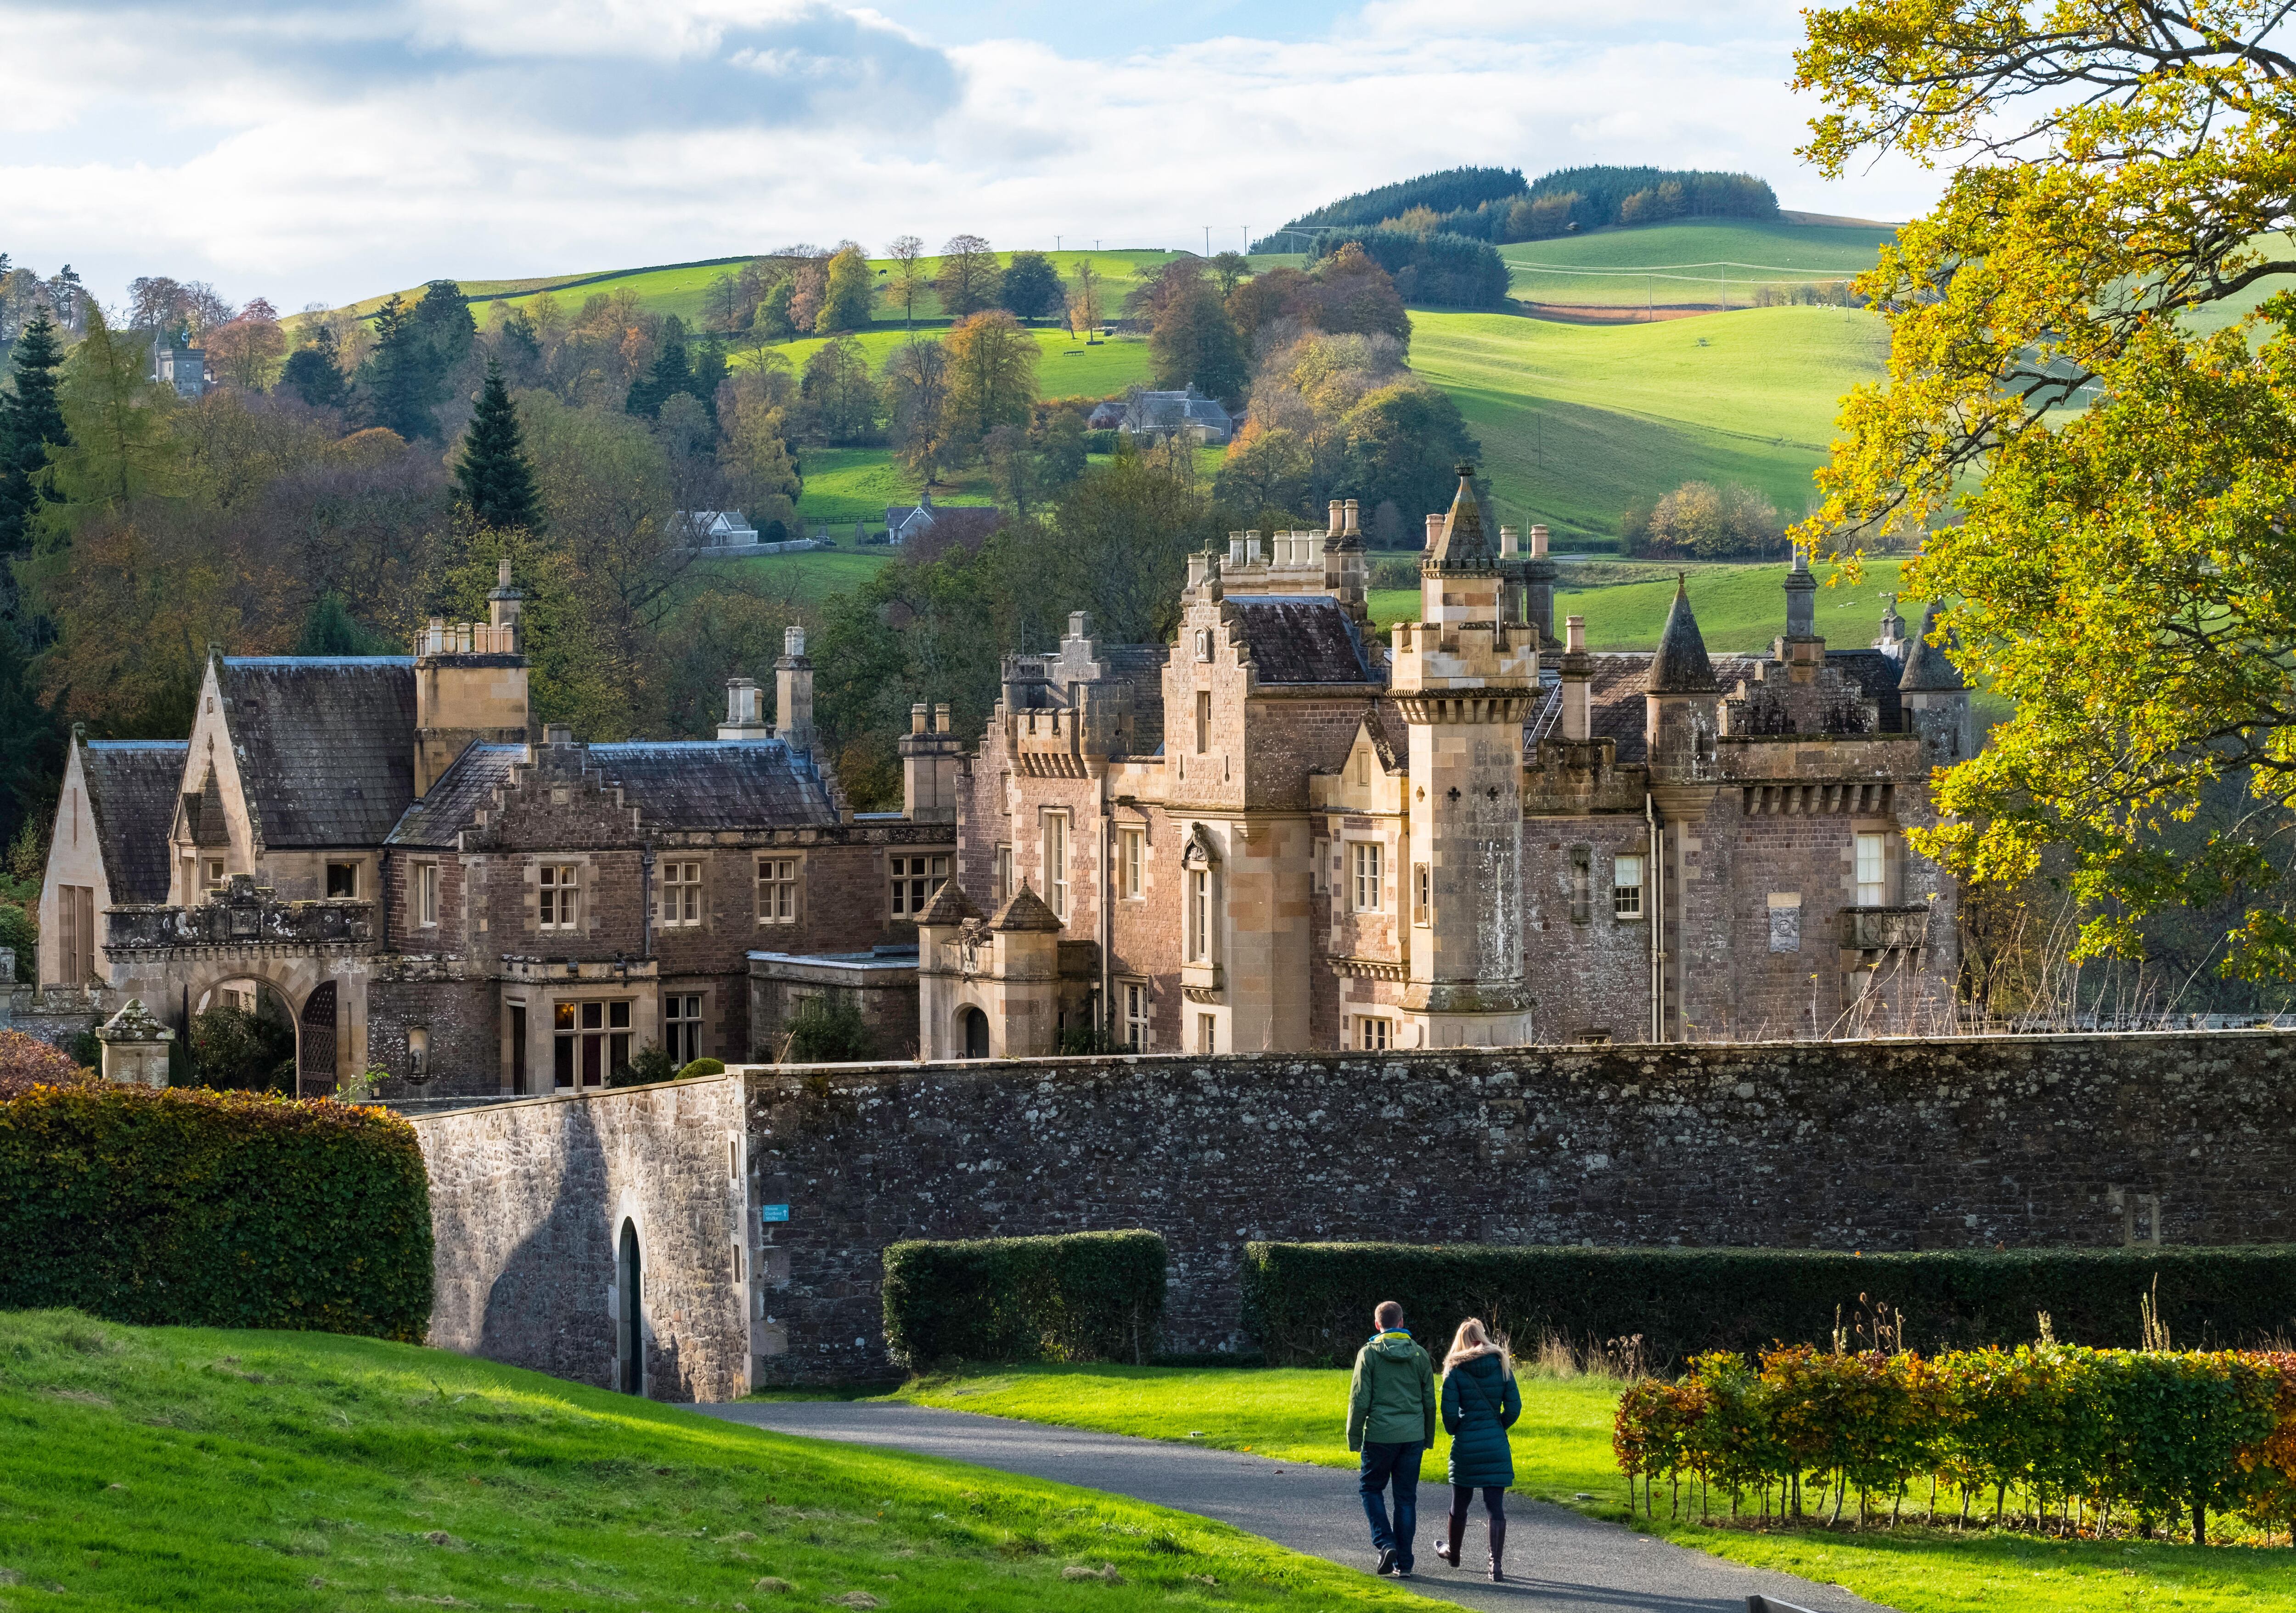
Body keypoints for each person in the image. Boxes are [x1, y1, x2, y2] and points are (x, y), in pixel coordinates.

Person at [1345, 1299, 1435, 1577]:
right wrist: (1427, 1437)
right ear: (1401, 1322)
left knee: (1371, 1490)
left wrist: (1354, 1436)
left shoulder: (1369, 1354)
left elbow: (1359, 1400)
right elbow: (1429, 1402)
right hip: (1412, 1436)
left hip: (1380, 1435)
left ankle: (1385, 1543)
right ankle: (1405, 1563)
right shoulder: (1419, 1355)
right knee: (1406, 1499)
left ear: (1377, 1325)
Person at [1429, 1317, 1521, 1581]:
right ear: (1482, 1338)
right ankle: (1495, 1566)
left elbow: (1448, 1417)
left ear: (1461, 1342)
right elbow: (1514, 1408)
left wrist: (1461, 1428)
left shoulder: (1455, 1370)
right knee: (1495, 1507)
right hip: (1496, 1445)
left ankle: (1454, 1554)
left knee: (1460, 1504)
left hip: (1466, 1446)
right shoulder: (1502, 1365)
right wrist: (1497, 1426)